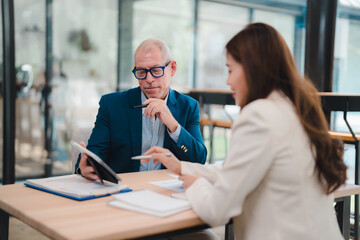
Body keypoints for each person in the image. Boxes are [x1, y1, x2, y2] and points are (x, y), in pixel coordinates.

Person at [145, 23, 347, 240]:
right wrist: (182, 167)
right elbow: (237, 172)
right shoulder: (297, 109)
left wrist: (195, 183)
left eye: (230, 70)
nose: (227, 81)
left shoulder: (258, 116)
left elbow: (216, 210)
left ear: (253, 69)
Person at [75, 38, 207, 180]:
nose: (149, 79)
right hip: (125, 188)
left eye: (156, 70)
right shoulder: (112, 104)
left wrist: (173, 125)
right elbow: (94, 155)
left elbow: (199, 159)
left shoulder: (188, 106)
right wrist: (85, 167)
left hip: (166, 189)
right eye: (141, 72)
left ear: (172, 68)